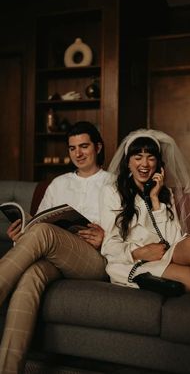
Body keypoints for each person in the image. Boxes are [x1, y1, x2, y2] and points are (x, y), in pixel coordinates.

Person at [99, 128, 190, 355]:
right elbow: (108, 245)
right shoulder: (113, 192)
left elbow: (173, 240)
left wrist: (155, 200)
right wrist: (139, 252)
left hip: (166, 253)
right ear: (128, 162)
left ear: (158, 163)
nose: (145, 163)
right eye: (138, 157)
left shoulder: (164, 194)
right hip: (135, 263)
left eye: (151, 157)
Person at [0, 121, 114, 374]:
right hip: (55, 258)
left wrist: (105, 237)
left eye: (84, 146)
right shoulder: (58, 184)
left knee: (42, 233)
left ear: (98, 147)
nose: (78, 153)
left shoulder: (114, 182)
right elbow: (39, 224)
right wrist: (20, 234)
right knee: (30, 276)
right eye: (72, 148)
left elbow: (128, 230)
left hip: (93, 260)